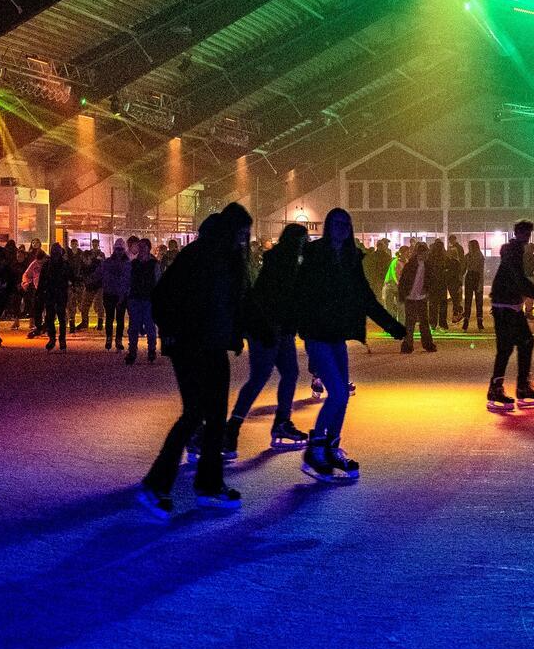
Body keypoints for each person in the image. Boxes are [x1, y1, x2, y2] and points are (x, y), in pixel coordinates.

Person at [139, 205, 252, 515]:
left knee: (216, 417)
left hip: (214, 346)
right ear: (229, 231)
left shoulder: (230, 261)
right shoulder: (197, 255)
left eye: (246, 235)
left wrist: (235, 334)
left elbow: (232, 305)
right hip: (189, 346)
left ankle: (209, 484)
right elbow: (162, 295)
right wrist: (172, 333)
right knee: (194, 413)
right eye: (240, 234)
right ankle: (156, 484)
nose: (243, 241)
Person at [293, 208, 407, 482]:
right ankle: (315, 450)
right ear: (329, 226)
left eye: (346, 224)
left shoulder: (351, 258)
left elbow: (366, 297)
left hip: (337, 335)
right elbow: (300, 293)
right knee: (339, 394)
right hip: (318, 334)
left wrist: (390, 325)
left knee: (341, 394)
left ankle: (331, 448)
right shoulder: (315, 254)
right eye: (336, 223)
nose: (342, 228)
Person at [222, 223, 311, 457]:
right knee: (260, 376)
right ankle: (231, 430)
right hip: (266, 327)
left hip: (280, 328)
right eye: (304, 240)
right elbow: (272, 298)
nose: (306, 244)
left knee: (290, 373)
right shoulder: (282, 264)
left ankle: (281, 423)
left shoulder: (291, 263)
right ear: (295, 242)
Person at [487, 220, 534, 413]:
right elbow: (518, 279)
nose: (527, 236)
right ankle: (496, 388)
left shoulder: (516, 249)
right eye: (525, 233)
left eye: (528, 233)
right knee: (506, 347)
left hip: (511, 304)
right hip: (504, 305)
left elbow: (518, 279)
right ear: (520, 233)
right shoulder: (514, 251)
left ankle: (522, 386)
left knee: (525, 341)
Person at [123, 238, 160, 365]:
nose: (142, 249)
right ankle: (132, 351)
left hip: (148, 299)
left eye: (144, 247)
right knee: (134, 326)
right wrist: (126, 295)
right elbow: (128, 280)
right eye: (140, 247)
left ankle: (151, 350)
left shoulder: (154, 264)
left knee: (149, 326)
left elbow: (158, 281)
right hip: (135, 298)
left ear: (148, 248)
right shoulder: (133, 264)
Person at [397, 239, 436, 353]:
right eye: (424, 254)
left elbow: (430, 281)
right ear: (420, 253)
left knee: (423, 322)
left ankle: (426, 344)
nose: (426, 256)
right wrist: (402, 295)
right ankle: (408, 345)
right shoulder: (411, 265)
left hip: (420, 298)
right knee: (410, 322)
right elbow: (403, 281)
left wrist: (427, 291)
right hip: (411, 297)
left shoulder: (427, 265)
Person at [99, 239, 130, 351]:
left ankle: (118, 340)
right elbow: (99, 273)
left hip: (120, 294)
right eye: (118, 249)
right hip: (110, 293)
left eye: (121, 249)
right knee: (110, 318)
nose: (119, 252)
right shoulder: (108, 263)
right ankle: (109, 338)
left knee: (120, 318)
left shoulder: (127, 264)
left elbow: (129, 279)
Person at [39, 243, 71, 351]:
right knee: (50, 317)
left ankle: (61, 339)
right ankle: (52, 338)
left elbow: (71, 277)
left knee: (61, 317)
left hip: (60, 293)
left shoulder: (65, 265)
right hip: (51, 293)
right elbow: (42, 281)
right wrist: (40, 292)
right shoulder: (47, 265)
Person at [459, 238, 487, 330]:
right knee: (468, 300)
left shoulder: (480, 256)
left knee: (479, 302)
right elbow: (463, 269)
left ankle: (479, 321)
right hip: (469, 277)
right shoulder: (467, 256)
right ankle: (466, 321)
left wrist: (480, 284)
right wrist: (459, 281)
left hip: (476, 277)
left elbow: (481, 271)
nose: (469, 247)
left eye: (470, 246)